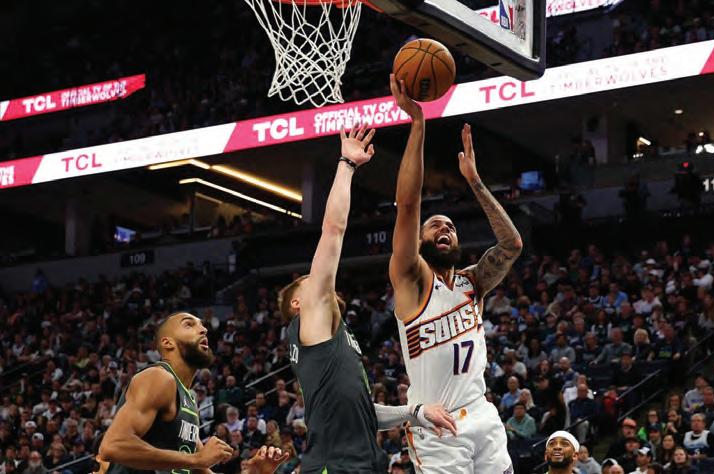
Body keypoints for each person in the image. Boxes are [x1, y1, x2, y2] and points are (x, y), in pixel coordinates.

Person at [276, 124, 455, 473]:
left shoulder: (328, 343)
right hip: (336, 466)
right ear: (298, 304)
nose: (319, 280)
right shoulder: (309, 320)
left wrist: (414, 412)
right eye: (309, 281)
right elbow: (333, 230)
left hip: (361, 463)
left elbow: (362, 412)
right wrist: (346, 165)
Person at [387, 74, 522, 473]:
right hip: (437, 423)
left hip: (481, 412)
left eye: (450, 226)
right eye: (435, 226)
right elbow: (408, 206)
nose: (444, 228)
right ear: (420, 240)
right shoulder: (412, 280)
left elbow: (512, 245)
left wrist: (475, 182)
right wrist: (417, 124)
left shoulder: (472, 282)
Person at [97, 312, 289, 474]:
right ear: (168, 343)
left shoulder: (188, 399)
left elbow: (201, 470)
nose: (203, 329)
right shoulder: (158, 377)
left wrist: (254, 472)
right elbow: (113, 446)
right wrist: (196, 459)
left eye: (202, 325)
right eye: (189, 325)